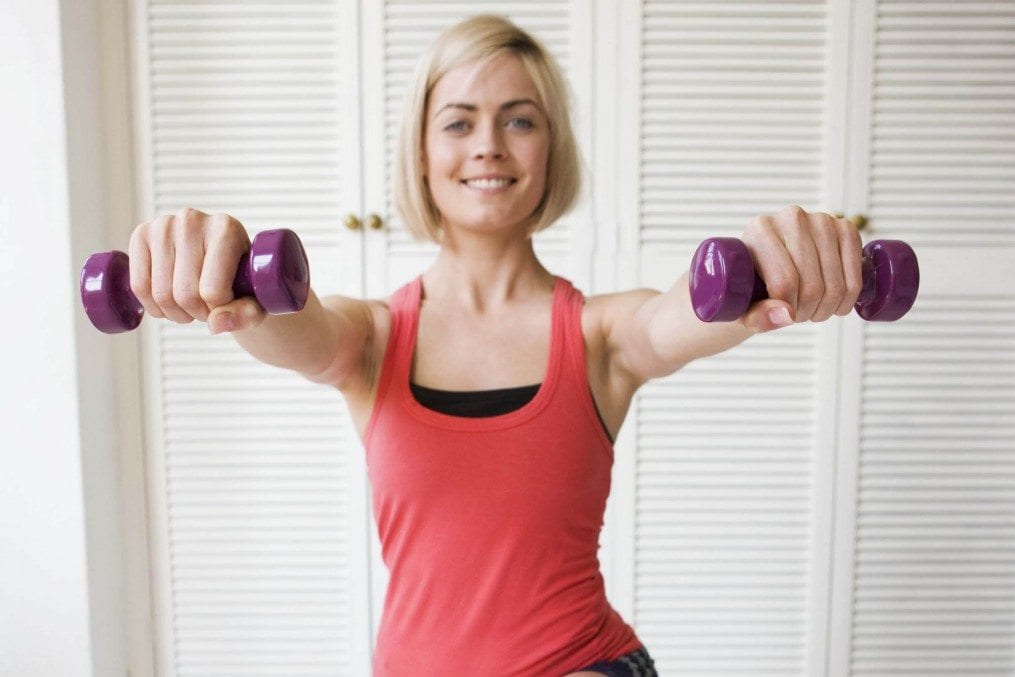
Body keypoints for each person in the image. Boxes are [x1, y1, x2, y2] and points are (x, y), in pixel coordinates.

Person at [127, 14, 863, 677]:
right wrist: (229, 280)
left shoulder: (600, 335)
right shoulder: (374, 337)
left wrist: (771, 269)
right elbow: (300, 326)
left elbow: (687, 311)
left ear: (550, 149)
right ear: (419, 151)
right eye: (457, 122)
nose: (487, 145)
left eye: (519, 121)